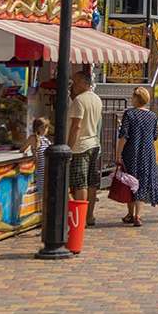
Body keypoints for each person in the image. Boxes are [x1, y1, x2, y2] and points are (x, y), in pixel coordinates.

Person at [114, 86, 158, 226]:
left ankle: (130, 213)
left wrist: (118, 154)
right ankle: (138, 215)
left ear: (136, 99)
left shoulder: (129, 114)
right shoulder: (152, 115)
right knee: (142, 181)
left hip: (131, 151)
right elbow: (155, 135)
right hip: (147, 152)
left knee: (130, 181)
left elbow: (124, 135)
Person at [66, 69, 103, 227]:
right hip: (93, 142)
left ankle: (80, 218)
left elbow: (76, 126)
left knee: (80, 183)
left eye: (74, 83)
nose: (72, 86)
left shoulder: (79, 101)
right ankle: (89, 215)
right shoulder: (96, 98)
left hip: (80, 146)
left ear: (81, 83)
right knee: (91, 182)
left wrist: (68, 147)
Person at [20, 116, 50, 192]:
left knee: (43, 196)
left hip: (40, 175)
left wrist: (28, 149)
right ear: (45, 130)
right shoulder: (47, 141)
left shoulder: (33, 138)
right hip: (49, 173)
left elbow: (21, 149)